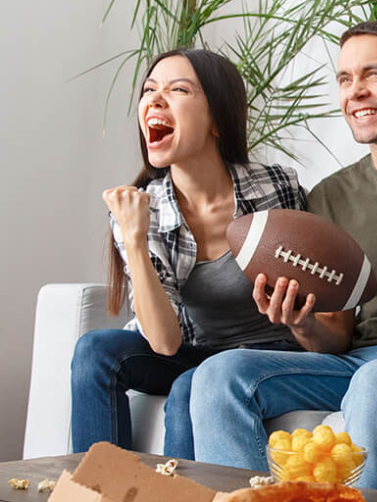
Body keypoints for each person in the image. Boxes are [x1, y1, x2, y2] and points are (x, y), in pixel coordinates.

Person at [189, 20, 377, 489]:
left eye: (374, 74)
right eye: (345, 79)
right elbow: (336, 340)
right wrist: (301, 322)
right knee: (218, 374)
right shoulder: (330, 196)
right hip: (356, 361)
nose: (356, 91)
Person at [70, 49, 307, 459]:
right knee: (93, 351)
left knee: (189, 389)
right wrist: (134, 238)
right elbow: (163, 342)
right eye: (149, 90)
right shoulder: (145, 209)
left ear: (217, 119)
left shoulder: (275, 187)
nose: (155, 100)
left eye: (178, 89)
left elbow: (315, 289)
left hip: (270, 350)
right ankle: (101, 489)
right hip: (190, 349)